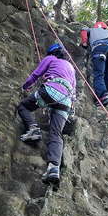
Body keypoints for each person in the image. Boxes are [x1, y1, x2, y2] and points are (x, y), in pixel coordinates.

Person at [17, 43, 76, 185]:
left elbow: (36, 74)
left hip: (51, 90)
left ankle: (33, 129)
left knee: (24, 106)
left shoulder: (51, 59)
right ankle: (53, 168)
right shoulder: (71, 68)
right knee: (56, 134)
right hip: (66, 100)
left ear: (51, 52)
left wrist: (24, 87)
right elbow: (74, 92)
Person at [80, 21, 108, 107]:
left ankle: (103, 96)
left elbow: (83, 31)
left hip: (99, 48)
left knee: (99, 74)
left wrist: (84, 43)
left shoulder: (91, 29)